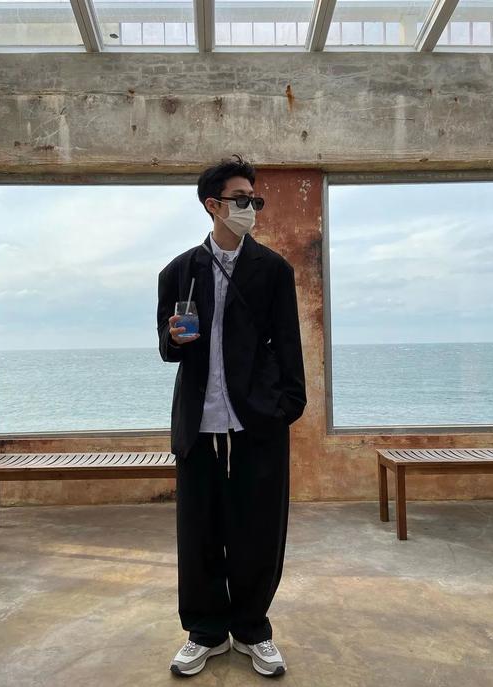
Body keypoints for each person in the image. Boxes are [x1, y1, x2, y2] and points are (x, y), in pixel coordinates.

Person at [156, 154, 306, 677]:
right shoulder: (177, 271)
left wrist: (286, 407)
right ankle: (205, 632)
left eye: (254, 200)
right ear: (212, 205)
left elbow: (288, 345)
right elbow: (166, 350)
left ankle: (252, 629)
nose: (250, 208)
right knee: (199, 529)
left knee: (258, 529)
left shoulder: (274, 270)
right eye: (241, 199)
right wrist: (174, 339)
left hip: (257, 421)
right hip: (197, 420)